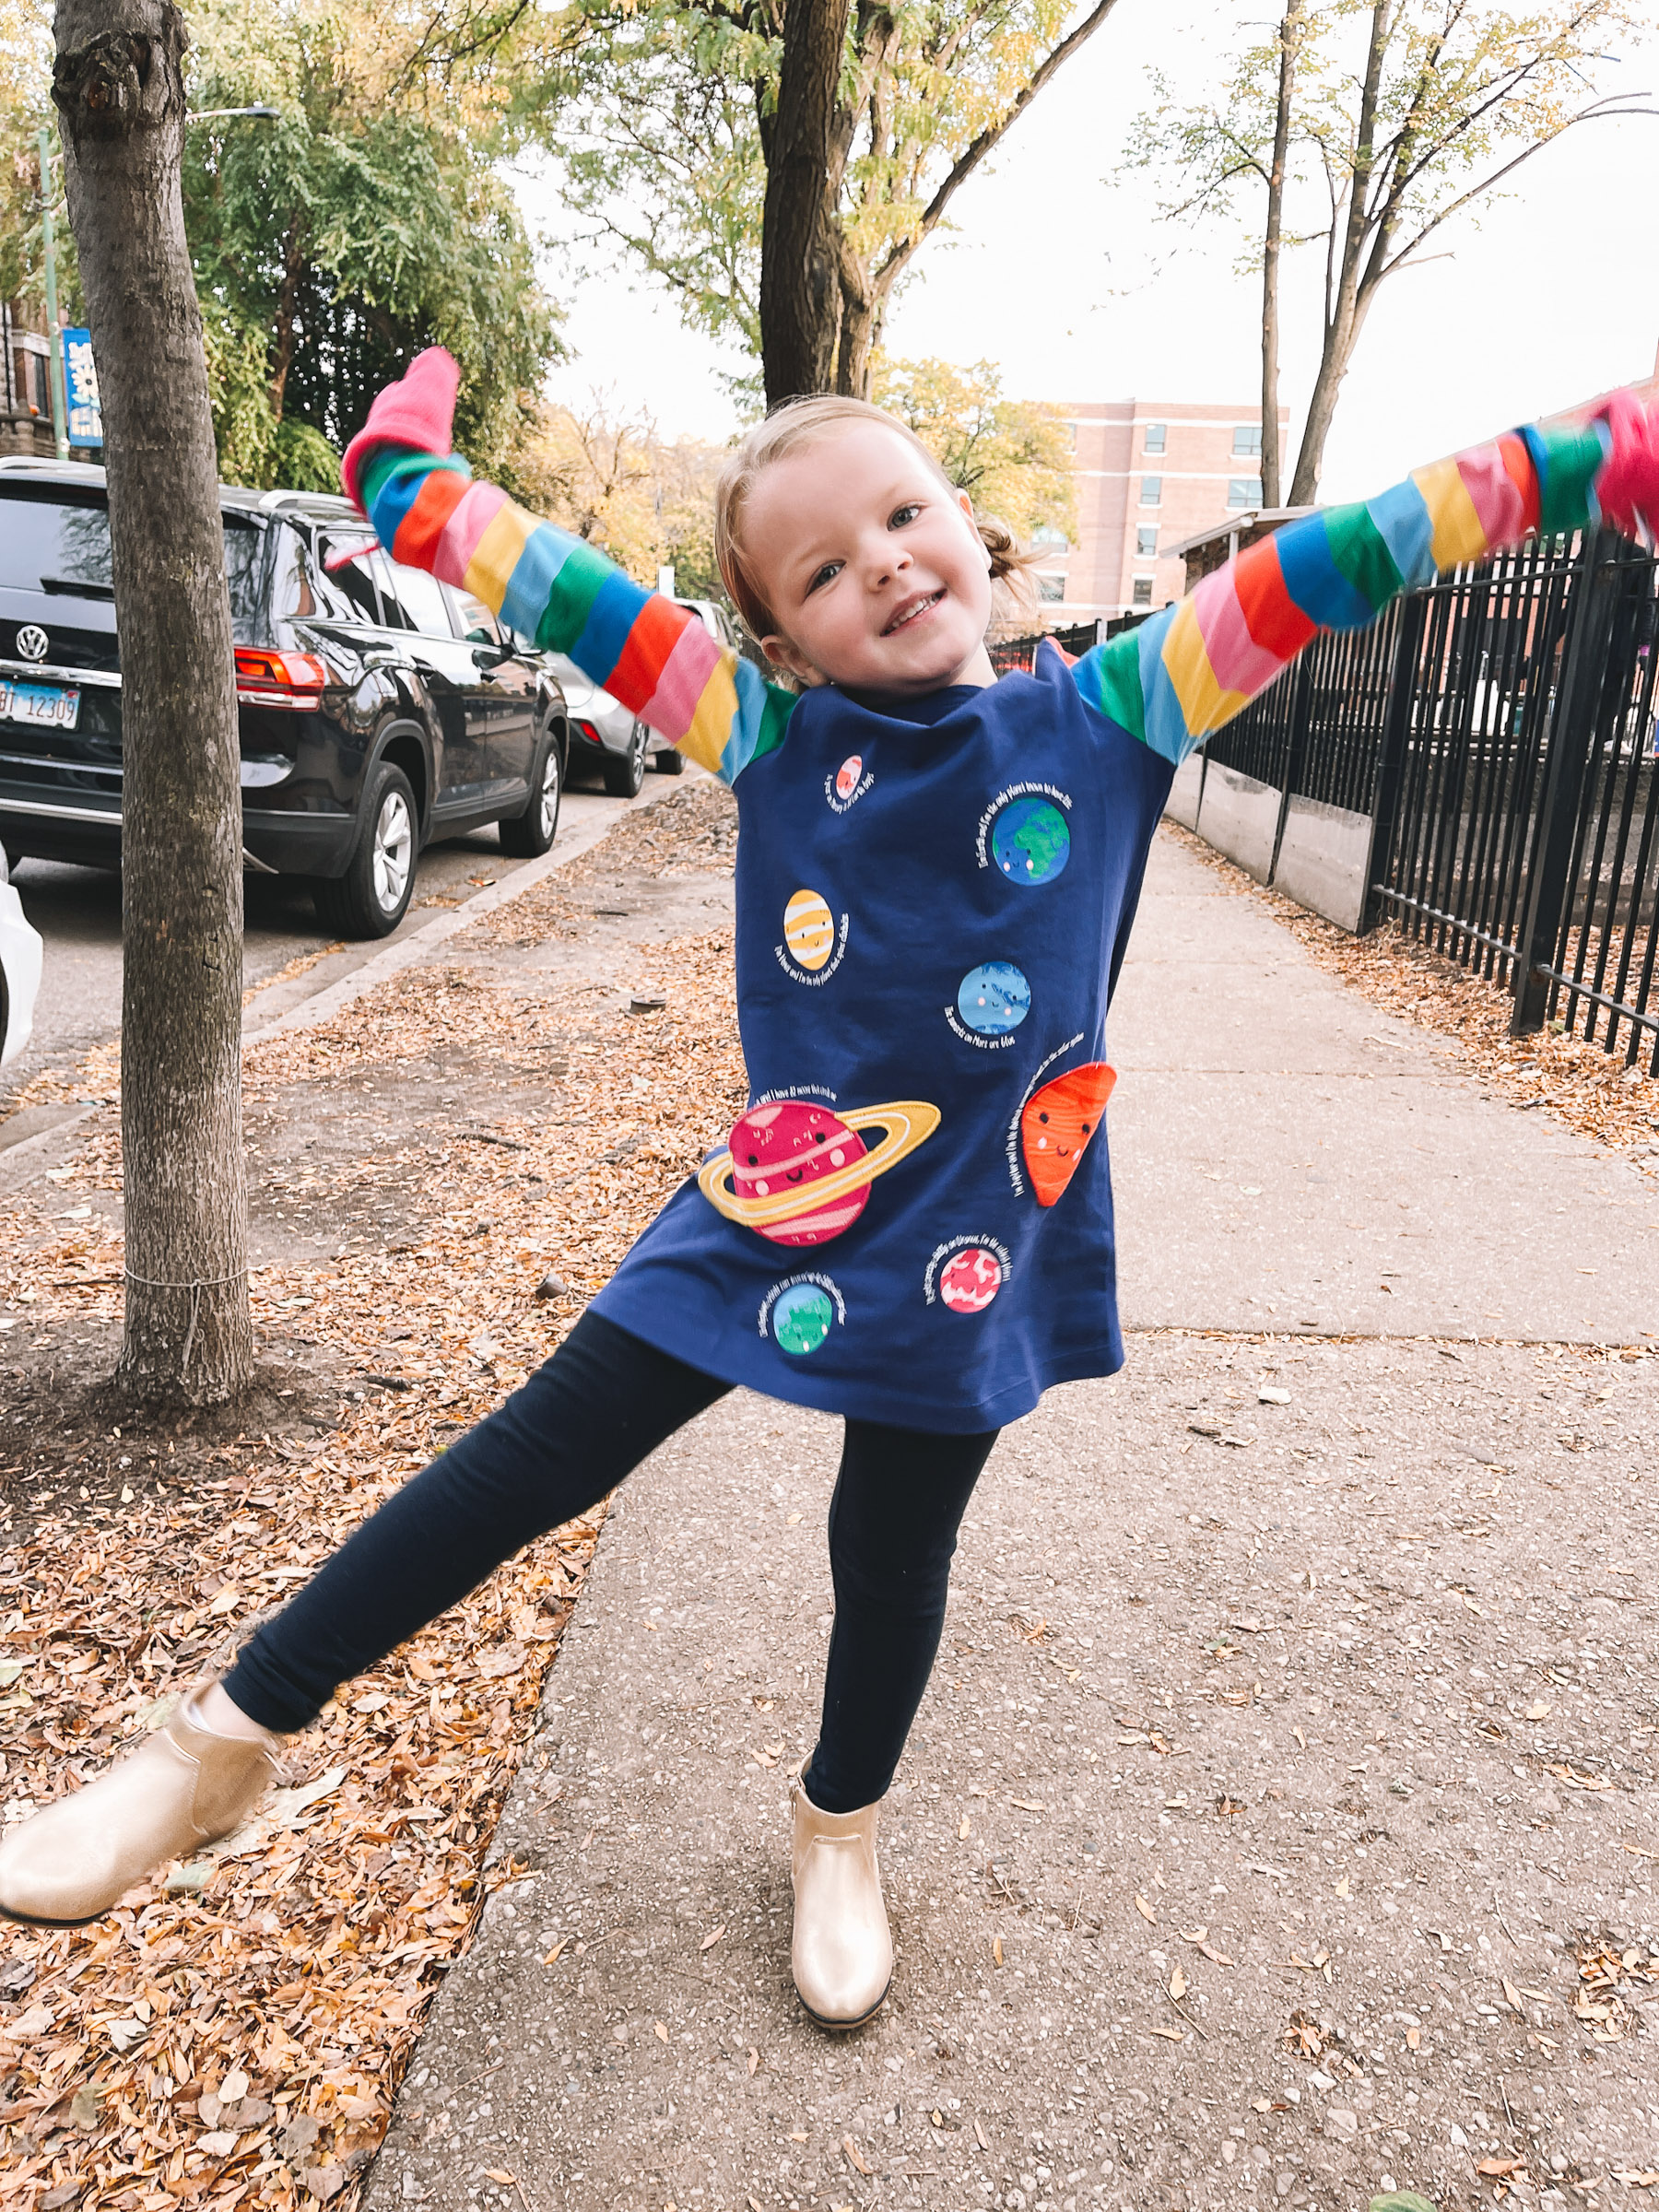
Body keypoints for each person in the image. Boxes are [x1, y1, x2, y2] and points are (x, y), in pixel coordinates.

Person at [3, 359, 1653, 2028]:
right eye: (817, 566)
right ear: (782, 635)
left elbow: (1340, 557)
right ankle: (217, 1741)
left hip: (975, 1230)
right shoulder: (771, 734)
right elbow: (582, 601)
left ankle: (839, 1825)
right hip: (772, 1207)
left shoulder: (1118, 710)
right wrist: (422, 497)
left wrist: (1563, 460)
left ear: (971, 532)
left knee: (891, 1541)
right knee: (531, 1455)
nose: (879, 559)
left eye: (904, 511)